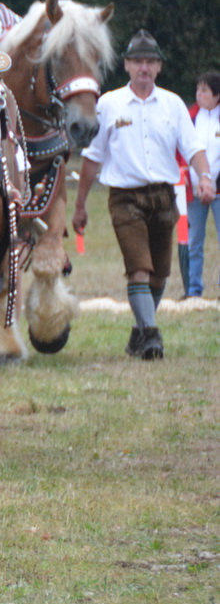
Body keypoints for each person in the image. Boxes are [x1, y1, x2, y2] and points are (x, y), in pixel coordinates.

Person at [73, 31, 214, 359]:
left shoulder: (173, 104)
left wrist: (204, 177)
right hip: (125, 199)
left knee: (160, 273)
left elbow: (193, 148)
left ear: (159, 67)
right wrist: (80, 205)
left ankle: (138, 332)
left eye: (150, 61)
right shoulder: (108, 103)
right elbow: (92, 158)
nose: (144, 67)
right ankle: (151, 335)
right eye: (137, 61)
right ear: (126, 65)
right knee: (139, 267)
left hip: (164, 197)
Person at [186, 71, 220, 298]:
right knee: (193, 242)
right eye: (198, 90)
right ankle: (193, 289)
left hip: (219, 191)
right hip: (194, 191)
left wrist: (213, 183)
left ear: (217, 95)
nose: (199, 95)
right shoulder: (190, 118)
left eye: (205, 91)